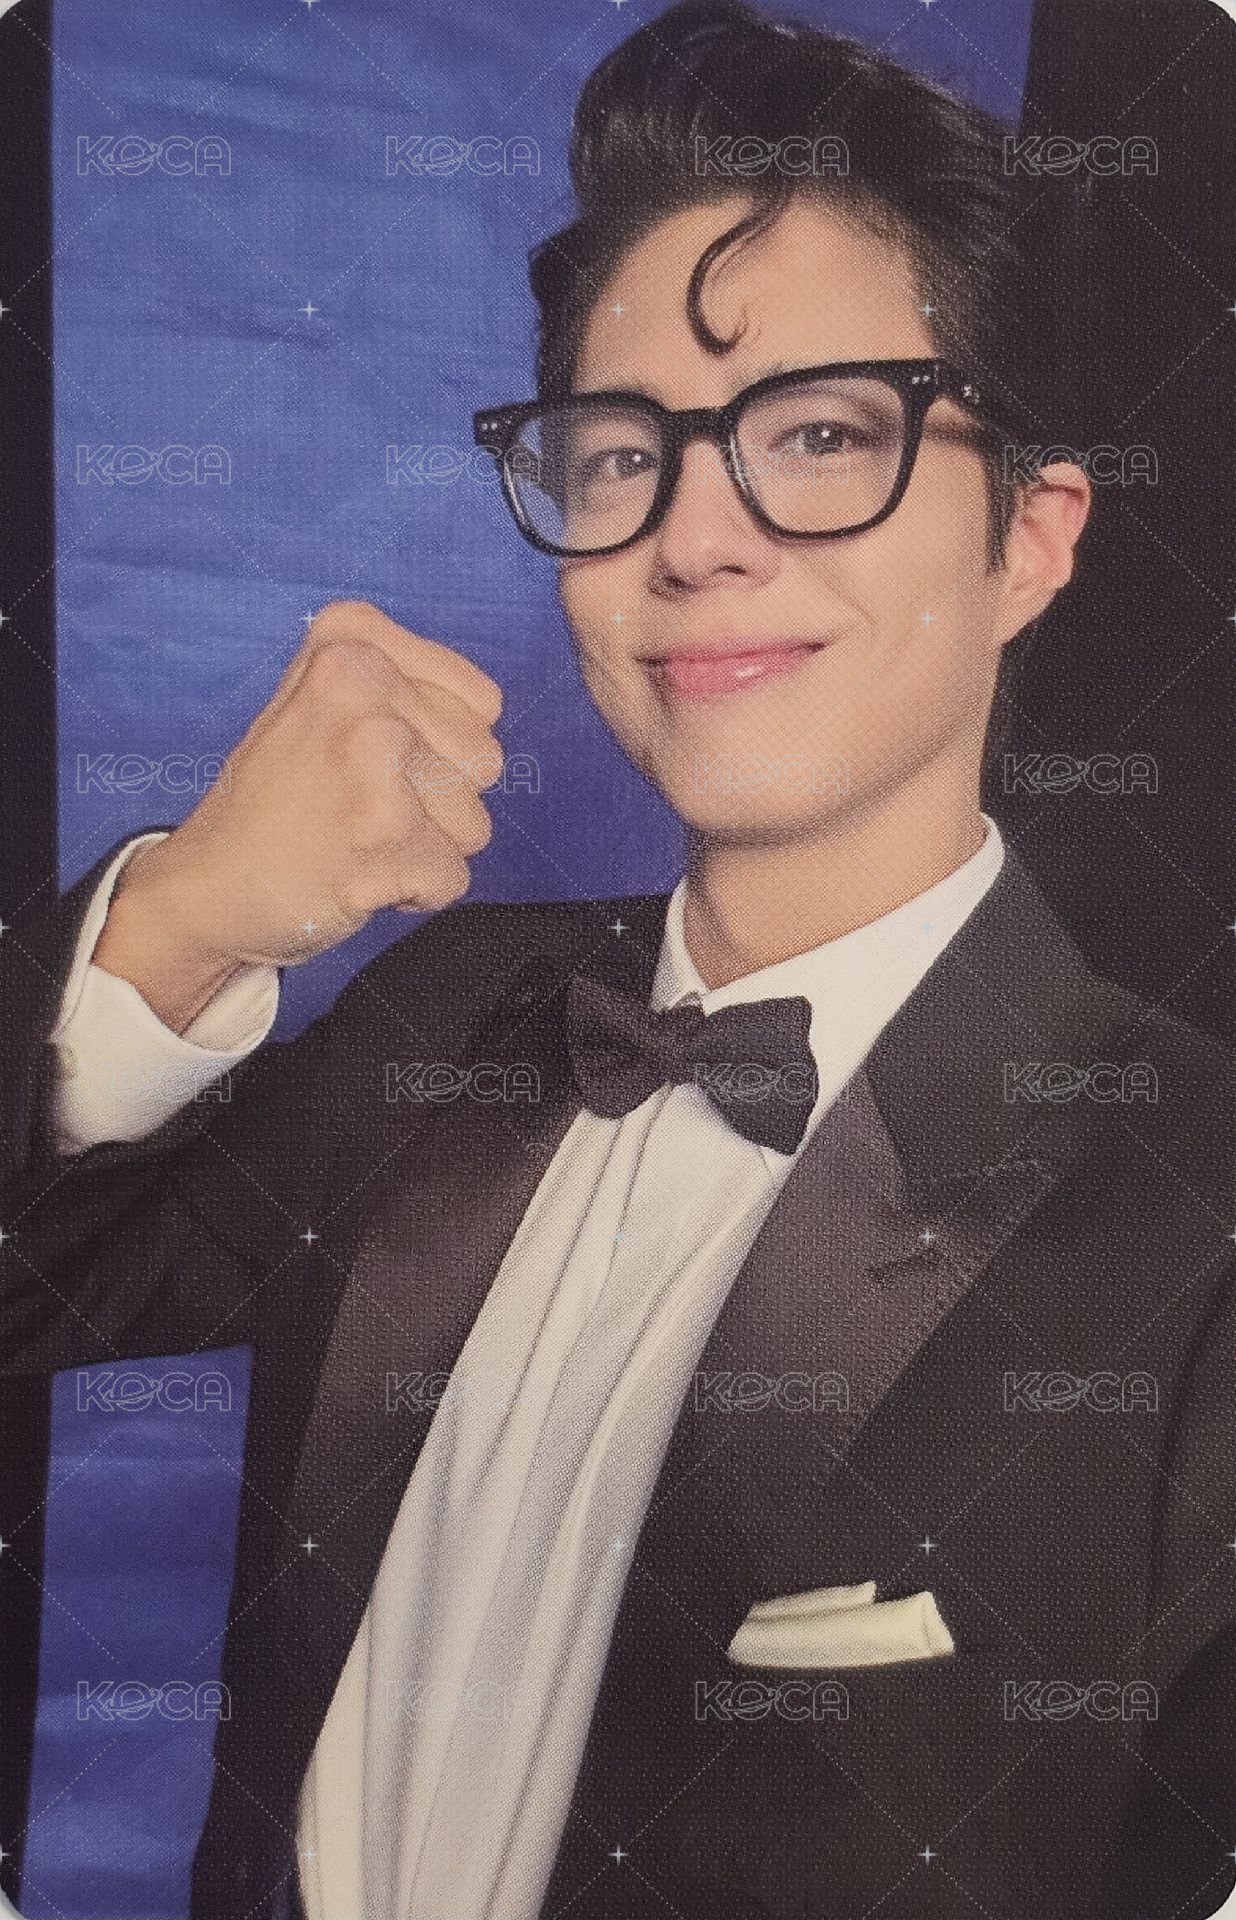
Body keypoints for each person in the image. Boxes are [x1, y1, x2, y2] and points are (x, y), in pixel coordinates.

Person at [3, 3, 1233, 1916]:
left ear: (1030, 541)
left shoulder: (1200, 1199)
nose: (693, 540)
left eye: (821, 435)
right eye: (618, 456)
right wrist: (182, 920)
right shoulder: (446, 1008)